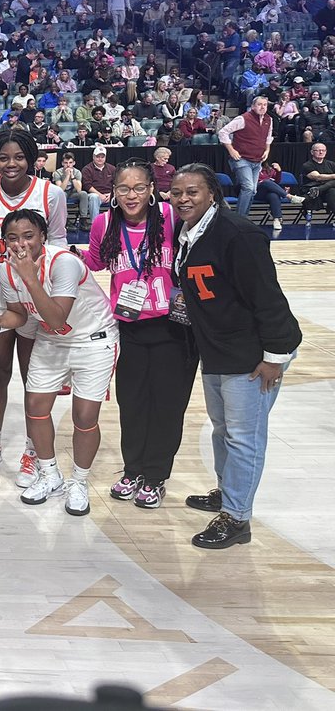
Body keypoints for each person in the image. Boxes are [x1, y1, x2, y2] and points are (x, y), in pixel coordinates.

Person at [169, 164, 301, 549]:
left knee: (245, 437)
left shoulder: (239, 235)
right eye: (177, 193)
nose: (183, 199)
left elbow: (268, 298)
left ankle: (237, 518)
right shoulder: (190, 232)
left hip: (253, 352)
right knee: (222, 429)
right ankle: (228, 495)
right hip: (219, 349)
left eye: (192, 191)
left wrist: (274, 357)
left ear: (212, 193)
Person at [0, 209, 118, 517]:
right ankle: (50, 475)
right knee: (35, 407)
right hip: (52, 340)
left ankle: (79, 482)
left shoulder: (65, 263)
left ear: (43, 237)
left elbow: (57, 316)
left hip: (93, 341)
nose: (21, 244)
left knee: (84, 416)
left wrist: (31, 279)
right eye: (12, 238)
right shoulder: (7, 271)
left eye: (29, 236)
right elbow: (20, 315)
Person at [83, 160, 196, 510]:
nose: (131, 195)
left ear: (151, 189)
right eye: (123, 189)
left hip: (173, 327)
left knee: (166, 407)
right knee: (132, 405)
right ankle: (132, 470)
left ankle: (156, 476)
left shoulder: (169, 216)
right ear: (113, 193)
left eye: (138, 188)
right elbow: (94, 263)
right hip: (129, 328)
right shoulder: (104, 223)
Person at [0, 130, 68, 478]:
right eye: (3, 157)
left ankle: (33, 449)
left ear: (32, 159)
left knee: (34, 377)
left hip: (34, 292)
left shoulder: (51, 193)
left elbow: (57, 240)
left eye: (18, 157)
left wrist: (42, 283)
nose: (11, 164)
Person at [218, 95, 274, 217]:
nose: (262, 107)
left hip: (257, 159)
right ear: (253, 106)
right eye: (259, 104)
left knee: (253, 191)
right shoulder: (243, 118)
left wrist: (267, 150)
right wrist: (231, 150)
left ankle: (244, 218)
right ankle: (239, 218)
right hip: (242, 159)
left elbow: (268, 137)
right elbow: (223, 132)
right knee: (248, 187)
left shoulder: (268, 119)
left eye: (265, 105)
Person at [81, 146, 117, 229]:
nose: (100, 159)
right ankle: (95, 225)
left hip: (110, 194)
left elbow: (117, 183)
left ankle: (117, 223)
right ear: (93, 157)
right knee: (94, 197)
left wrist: (112, 193)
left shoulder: (112, 168)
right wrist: (100, 195)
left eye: (102, 157)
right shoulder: (87, 169)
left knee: (120, 196)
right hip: (95, 194)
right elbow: (87, 185)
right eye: (97, 157)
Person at [301, 142, 335, 219]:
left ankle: (319, 189)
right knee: (332, 189)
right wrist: (333, 176)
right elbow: (318, 177)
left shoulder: (331, 164)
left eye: (323, 150)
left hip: (326, 192)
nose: (321, 152)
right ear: (312, 152)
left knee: (332, 191)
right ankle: (318, 189)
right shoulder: (307, 165)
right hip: (311, 189)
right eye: (318, 150)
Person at [51, 151, 84, 229]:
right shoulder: (58, 173)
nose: (68, 165)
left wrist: (72, 176)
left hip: (73, 193)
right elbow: (60, 190)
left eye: (70, 162)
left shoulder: (77, 172)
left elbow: (79, 189)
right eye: (66, 163)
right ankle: (65, 220)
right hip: (63, 193)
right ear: (62, 163)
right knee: (62, 194)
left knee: (83, 194)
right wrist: (67, 176)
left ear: (74, 163)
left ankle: (83, 219)